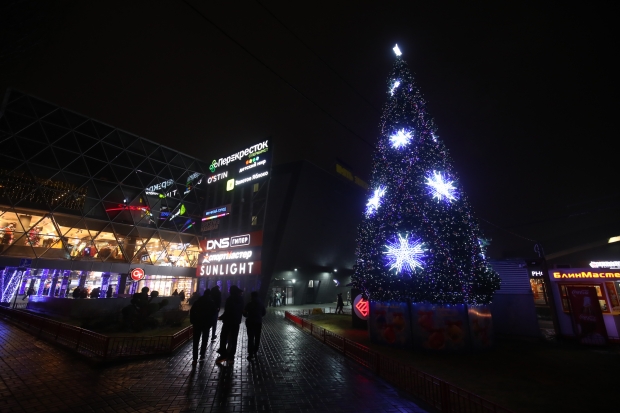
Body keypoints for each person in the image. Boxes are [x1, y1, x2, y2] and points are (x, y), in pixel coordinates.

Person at [216, 285, 244, 365]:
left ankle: (223, 355)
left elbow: (228, 311)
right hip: (236, 322)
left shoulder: (230, 299)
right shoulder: (241, 299)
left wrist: (221, 317)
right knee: (234, 339)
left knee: (223, 337)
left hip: (228, 322)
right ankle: (231, 357)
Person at [189, 289, 217, 366]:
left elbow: (192, 311)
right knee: (205, 339)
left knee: (196, 340)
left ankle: (195, 358)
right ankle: (202, 354)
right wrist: (211, 321)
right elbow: (214, 312)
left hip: (197, 323)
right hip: (206, 323)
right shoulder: (211, 302)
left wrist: (192, 320)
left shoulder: (197, 302)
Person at [243, 291, 266, 360]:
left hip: (250, 322)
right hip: (258, 322)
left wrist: (247, 316)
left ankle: (250, 353)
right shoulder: (261, 303)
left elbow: (244, 313)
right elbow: (264, 312)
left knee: (250, 338)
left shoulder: (249, 304)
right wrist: (259, 316)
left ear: (252, 296)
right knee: (257, 337)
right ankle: (255, 350)